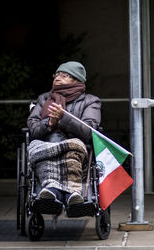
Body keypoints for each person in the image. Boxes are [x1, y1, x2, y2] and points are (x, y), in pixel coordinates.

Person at [27, 61, 101, 207]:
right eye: (57, 75)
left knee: (74, 147)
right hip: (46, 144)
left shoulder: (91, 101)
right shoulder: (43, 99)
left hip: (75, 146)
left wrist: (63, 118)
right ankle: (52, 190)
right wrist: (49, 122)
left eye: (64, 75)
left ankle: (71, 193)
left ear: (77, 80)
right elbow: (33, 128)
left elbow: (88, 131)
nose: (58, 78)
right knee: (38, 147)